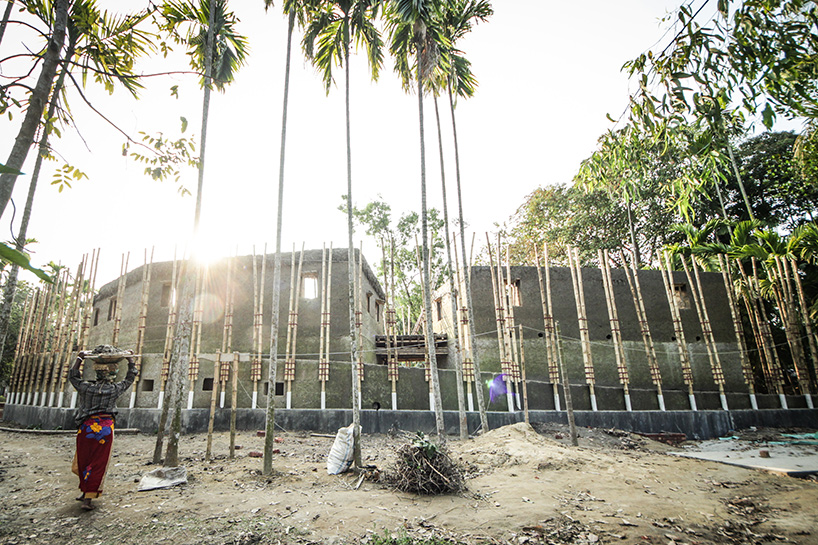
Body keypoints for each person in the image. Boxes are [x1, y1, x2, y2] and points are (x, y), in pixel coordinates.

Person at [69, 345, 137, 511]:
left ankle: (84, 492)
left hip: (86, 429)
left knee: (84, 460)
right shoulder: (113, 389)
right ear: (113, 375)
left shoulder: (86, 388)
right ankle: (88, 498)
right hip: (105, 429)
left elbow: (73, 376)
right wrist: (129, 359)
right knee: (98, 463)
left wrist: (80, 358)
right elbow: (130, 377)